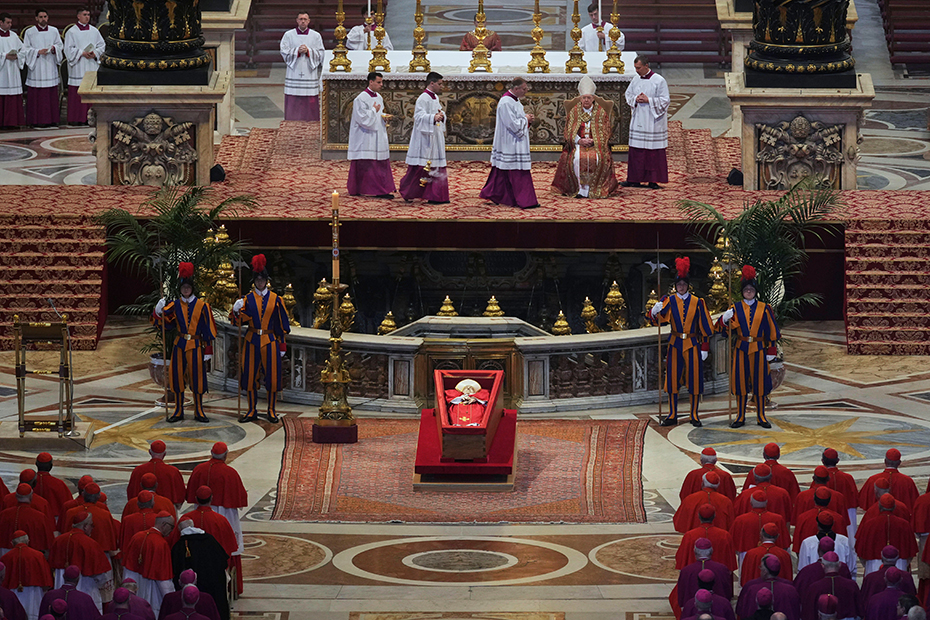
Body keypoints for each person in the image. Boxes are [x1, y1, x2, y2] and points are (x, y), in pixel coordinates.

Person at [648, 257, 713, 427]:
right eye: (679, 284)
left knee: (694, 379)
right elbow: (659, 321)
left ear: (688, 285)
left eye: (684, 284)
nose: (681, 287)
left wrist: (704, 346)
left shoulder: (698, 302)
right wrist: (654, 312)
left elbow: (705, 326)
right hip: (675, 344)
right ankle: (672, 414)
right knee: (672, 379)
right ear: (675, 285)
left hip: (692, 344)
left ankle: (694, 415)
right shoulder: (668, 301)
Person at [153, 262, 217, 424]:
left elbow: (208, 328)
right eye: (183, 288)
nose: (186, 290)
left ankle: (199, 410)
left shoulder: (203, 306)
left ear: (192, 288)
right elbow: (163, 324)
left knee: (198, 378)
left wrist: (208, 349)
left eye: (188, 287)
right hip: (179, 345)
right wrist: (158, 311)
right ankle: (178, 410)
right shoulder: (174, 305)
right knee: (177, 377)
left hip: (196, 346)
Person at [718, 265, 781, 429]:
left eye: (751, 289)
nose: (748, 292)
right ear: (742, 291)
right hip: (740, 349)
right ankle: (740, 416)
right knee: (740, 383)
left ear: (755, 291)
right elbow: (724, 330)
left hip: (759, 349)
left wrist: (771, 349)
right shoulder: (735, 308)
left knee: (760, 382)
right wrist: (724, 320)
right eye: (746, 289)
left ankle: (761, 416)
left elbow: (771, 330)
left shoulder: (764, 308)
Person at [231, 255, 291, 423]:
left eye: (262, 279)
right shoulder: (246, 299)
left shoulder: (276, 299)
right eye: (257, 280)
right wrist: (236, 311)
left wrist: (282, 344)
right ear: (254, 281)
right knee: (249, 375)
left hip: (270, 340)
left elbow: (281, 325)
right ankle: (251, 410)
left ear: (266, 280)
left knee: (272, 376)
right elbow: (238, 322)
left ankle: (271, 410)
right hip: (251, 340)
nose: (260, 282)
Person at [185, 443, 246, 596]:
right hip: (225, 513)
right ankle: (233, 587)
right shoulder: (230, 473)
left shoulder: (199, 469)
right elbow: (240, 497)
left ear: (211, 452)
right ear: (226, 454)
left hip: (200, 512)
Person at [551, 75, 618, 199]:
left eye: (589, 97)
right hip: (578, 144)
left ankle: (594, 189)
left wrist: (594, 140)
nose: (586, 100)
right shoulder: (574, 112)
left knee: (598, 159)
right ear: (580, 98)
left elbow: (606, 130)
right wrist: (579, 140)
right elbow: (568, 130)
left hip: (596, 145)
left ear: (593, 98)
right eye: (584, 98)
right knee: (576, 159)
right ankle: (580, 190)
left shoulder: (600, 112)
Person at [480, 78, 539, 209]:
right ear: (516, 89)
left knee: (503, 170)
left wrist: (525, 119)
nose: (526, 91)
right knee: (517, 171)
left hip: (513, 140)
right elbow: (512, 124)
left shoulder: (514, 100)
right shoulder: (506, 102)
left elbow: (515, 119)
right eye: (524, 89)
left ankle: (497, 194)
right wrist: (526, 119)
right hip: (510, 141)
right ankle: (526, 200)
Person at [399, 72, 448, 204]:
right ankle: (407, 191)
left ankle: (436, 195)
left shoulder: (434, 97)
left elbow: (438, 112)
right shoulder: (423, 98)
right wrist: (432, 117)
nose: (441, 86)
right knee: (421, 167)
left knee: (435, 165)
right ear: (431, 83)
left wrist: (441, 115)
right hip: (424, 137)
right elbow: (419, 117)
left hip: (434, 134)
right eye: (439, 84)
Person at [48, 513, 112, 612]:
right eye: (91, 525)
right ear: (85, 526)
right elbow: (100, 575)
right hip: (86, 588)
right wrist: (101, 583)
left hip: (61, 588)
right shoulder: (90, 543)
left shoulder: (58, 540)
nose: (92, 528)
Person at [621, 55, 669, 189]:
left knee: (652, 152)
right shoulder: (635, 79)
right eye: (635, 68)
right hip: (639, 119)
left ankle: (653, 181)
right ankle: (634, 179)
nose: (636, 70)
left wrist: (649, 100)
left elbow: (665, 100)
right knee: (637, 151)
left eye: (639, 68)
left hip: (652, 121)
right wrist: (636, 98)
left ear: (646, 66)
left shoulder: (659, 80)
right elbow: (628, 94)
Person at [346, 72, 395, 199]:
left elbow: (380, 113)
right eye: (378, 82)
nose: (381, 85)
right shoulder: (360, 98)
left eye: (381, 82)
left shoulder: (378, 97)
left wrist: (384, 118)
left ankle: (382, 189)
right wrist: (374, 111)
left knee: (379, 161)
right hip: (365, 135)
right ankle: (368, 189)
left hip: (378, 133)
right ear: (370, 82)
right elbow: (362, 119)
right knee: (368, 163)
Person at [169, 525, 228, 620]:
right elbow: (223, 562)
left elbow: (174, 568)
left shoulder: (180, 545)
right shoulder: (210, 540)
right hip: (212, 585)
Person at [122, 513, 175, 618]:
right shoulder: (161, 544)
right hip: (152, 591)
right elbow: (163, 578)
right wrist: (171, 599)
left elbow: (128, 568)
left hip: (133, 589)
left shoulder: (136, 536)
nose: (172, 530)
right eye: (171, 527)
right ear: (164, 524)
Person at [856, 493, 917, 575]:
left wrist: (866, 564)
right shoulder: (904, 524)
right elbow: (911, 551)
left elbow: (860, 551)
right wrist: (904, 564)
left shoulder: (869, 524)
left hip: (874, 564)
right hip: (899, 563)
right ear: (894, 507)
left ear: (879, 507)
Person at [21, 9, 62, 129]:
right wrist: (37, 52)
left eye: (45, 16)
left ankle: (52, 120)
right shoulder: (30, 32)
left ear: (48, 18)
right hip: (37, 67)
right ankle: (35, 120)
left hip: (49, 65)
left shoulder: (54, 31)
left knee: (50, 94)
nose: (43, 19)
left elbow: (60, 45)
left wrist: (54, 48)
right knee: (37, 95)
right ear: (36, 19)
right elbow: (25, 49)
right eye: (40, 17)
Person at [279, 12, 324, 122]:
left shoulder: (316, 35)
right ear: (297, 21)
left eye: (305, 19)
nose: (303, 21)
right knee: (293, 95)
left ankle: (311, 119)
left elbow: (321, 53)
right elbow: (283, 51)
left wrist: (309, 51)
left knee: (310, 95)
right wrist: (297, 51)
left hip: (309, 70)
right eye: (301, 19)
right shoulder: (288, 35)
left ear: (309, 21)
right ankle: (291, 119)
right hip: (294, 70)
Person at [63, 7, 103, 126]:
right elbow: (68, 49)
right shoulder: (72, 32)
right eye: (85, 14)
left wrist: (95, 53)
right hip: (78, 66)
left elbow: (102, 45)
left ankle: (91, 119)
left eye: (88, 15)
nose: (87, 17)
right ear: (78, 16)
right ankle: (77, 118)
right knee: (78, 94)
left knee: (91, 92)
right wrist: (82, 53)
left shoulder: (94, 31)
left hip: (91, 65)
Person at [735, 555, 800, 620]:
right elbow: (796, 611)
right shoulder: (790, 588)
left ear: (765, 572)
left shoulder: (751, 587)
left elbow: (741, 611)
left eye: (760, 568)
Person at [1, 536, 50, 620]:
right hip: (33, 592)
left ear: (12, 543)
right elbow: (45, 577)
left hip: (14, 591)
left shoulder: (5, 557)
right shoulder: (38, 555)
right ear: (28, 541)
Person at [675, 505, 737, 572]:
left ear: (698, 516)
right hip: (718, 575)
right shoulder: (725, 535)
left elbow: (681, 559)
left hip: (694, 575)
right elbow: (730, 564)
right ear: (714, 516)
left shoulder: (689, 535)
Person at [799, 552, 860, 620]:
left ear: (822, 566)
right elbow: (859, 610)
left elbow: (808, 613)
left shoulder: (814, 587)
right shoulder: (852, 585)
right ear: (839, 565)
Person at [127, 442, 185, 511]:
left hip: (141, 510)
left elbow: (131, 492)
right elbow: (180, 494)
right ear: (165, 454)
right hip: (167, 509)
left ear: (150, 452)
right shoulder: (173, 471)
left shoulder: (138, 470)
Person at [731, 495, 789, 562]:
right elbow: (785, 543)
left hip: (746, 554)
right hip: (773, 555)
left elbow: (733, 541)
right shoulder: (778, 519)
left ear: (751, 503)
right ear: (766, 503)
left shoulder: (740, 520)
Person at [798, 512, 856, 578]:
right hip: (840, 579)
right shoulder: (844, 540)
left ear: (817, 525)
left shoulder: (807, 542)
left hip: (814, 580)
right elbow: (851, 566)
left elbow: (802, 568)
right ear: (833, 523)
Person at [0, 485, 54, 555]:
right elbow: (48, 540)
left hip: (6, 551)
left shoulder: (4, 514)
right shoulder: (40, 517)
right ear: (31, 496)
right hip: (32, 552)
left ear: (16, 496)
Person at [859, 546, 916, 611]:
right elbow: (913, 599)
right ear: (897, 558)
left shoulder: (870, 578)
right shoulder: (906, 576)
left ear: (882, 558)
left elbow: (863, 601)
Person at [0, 13, 25, 129]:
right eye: (8, 22)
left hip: (13, 69)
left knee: (13, 96)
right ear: (1, 22)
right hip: (2, 71)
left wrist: (18, 56)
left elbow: (23, 50)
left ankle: (13, 122)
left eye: (11, 22)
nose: (10, 25)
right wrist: (5, 55)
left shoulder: (14, 36)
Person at [33, 454, 71, 523]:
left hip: (32, 519)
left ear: (36, 464)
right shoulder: (59, 484)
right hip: (53, 520)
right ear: (51, 466)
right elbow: (68, 504)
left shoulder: (29, 481)